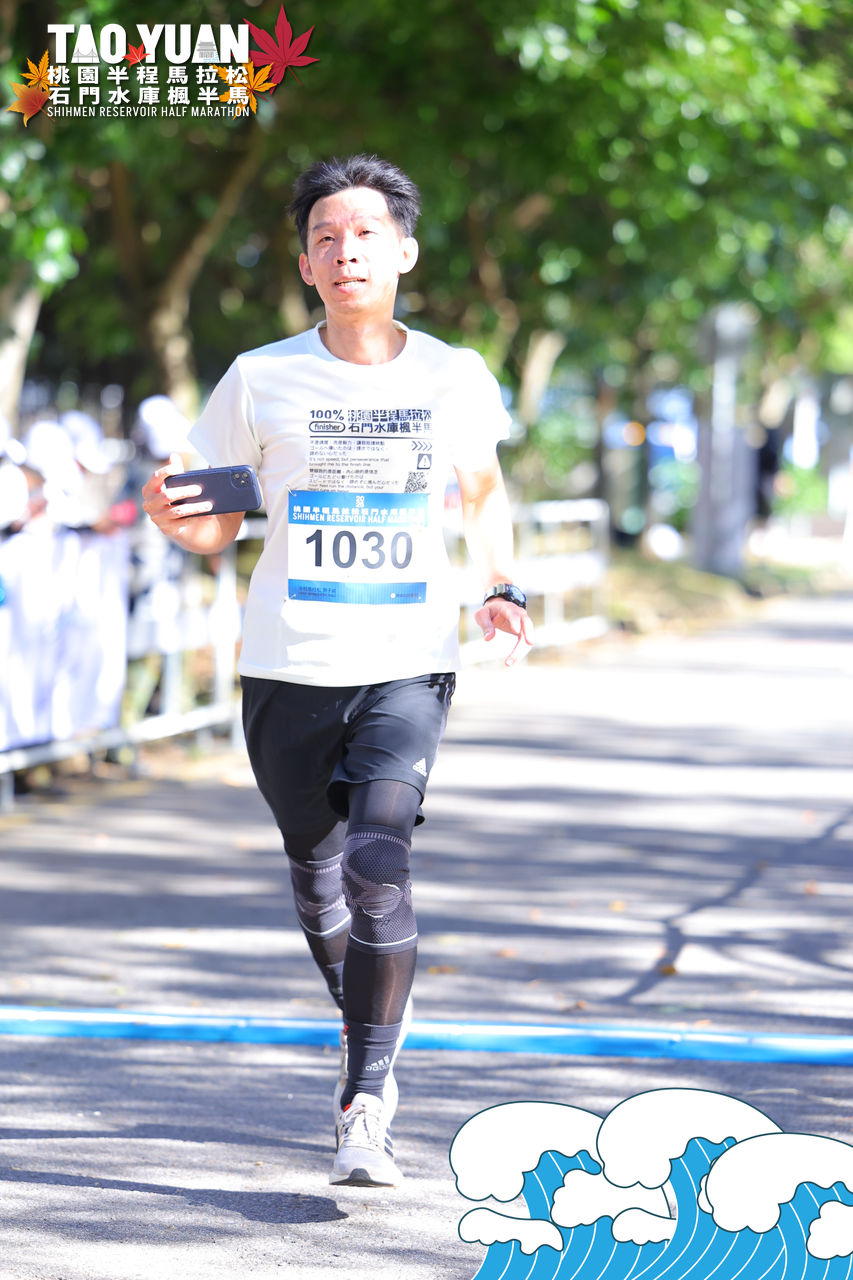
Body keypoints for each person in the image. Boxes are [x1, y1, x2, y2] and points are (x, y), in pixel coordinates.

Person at [142, 154, 533, 1188]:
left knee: (378, 864)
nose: (345, 249)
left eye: (364, 233)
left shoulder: (453, 374)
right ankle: (375, 1028)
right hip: (286, 667)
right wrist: (172, 519)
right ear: (306, 265)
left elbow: (483, 490)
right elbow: (216, 520)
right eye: (324, 237)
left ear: (404, 251)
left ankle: (364, 1102)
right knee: (320, 884)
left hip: (407, 662)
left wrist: (502, 585)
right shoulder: (257, 378)